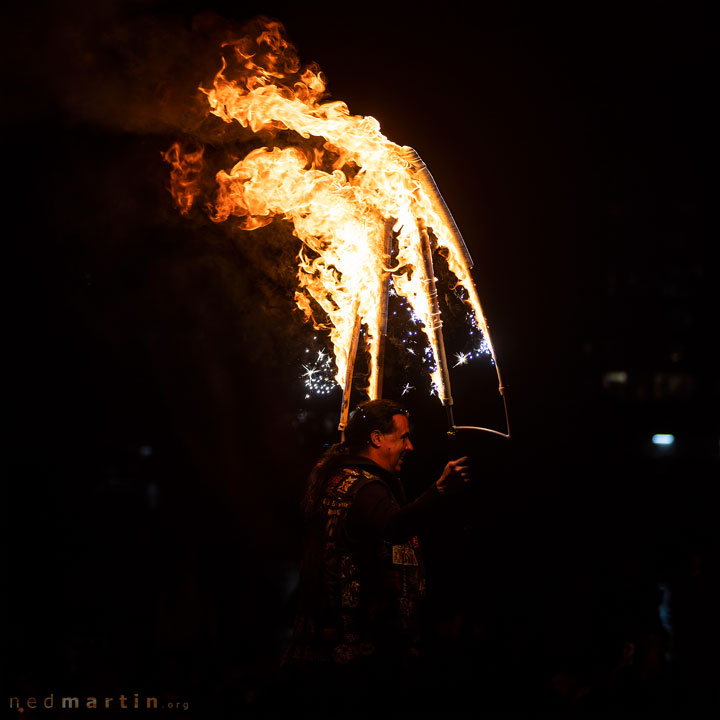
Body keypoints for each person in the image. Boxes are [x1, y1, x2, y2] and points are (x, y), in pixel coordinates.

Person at [280, 398, 470, 710]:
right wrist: (439, 491)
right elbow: (394, 526)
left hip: (325, 652)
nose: (410, 447)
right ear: (377, 438)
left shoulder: (336, 478)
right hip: (355, 662)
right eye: (402, 437)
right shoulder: (365, 488)